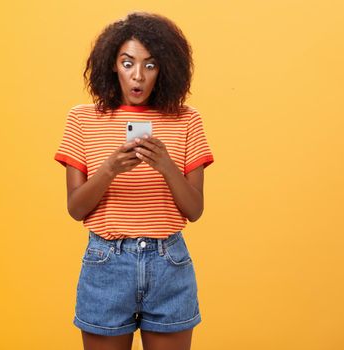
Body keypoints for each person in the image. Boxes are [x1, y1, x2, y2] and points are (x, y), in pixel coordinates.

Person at [54, 11, 214, 350]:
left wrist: (166, 165)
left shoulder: (187, 120)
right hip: (106, 264)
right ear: (113, 65)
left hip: (169, 263)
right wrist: (110, 168)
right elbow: (76, 208)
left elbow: (194, 210)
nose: (138, 76)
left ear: (165, 68)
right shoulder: (83, 119)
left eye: (150, 65)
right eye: (128, 63)